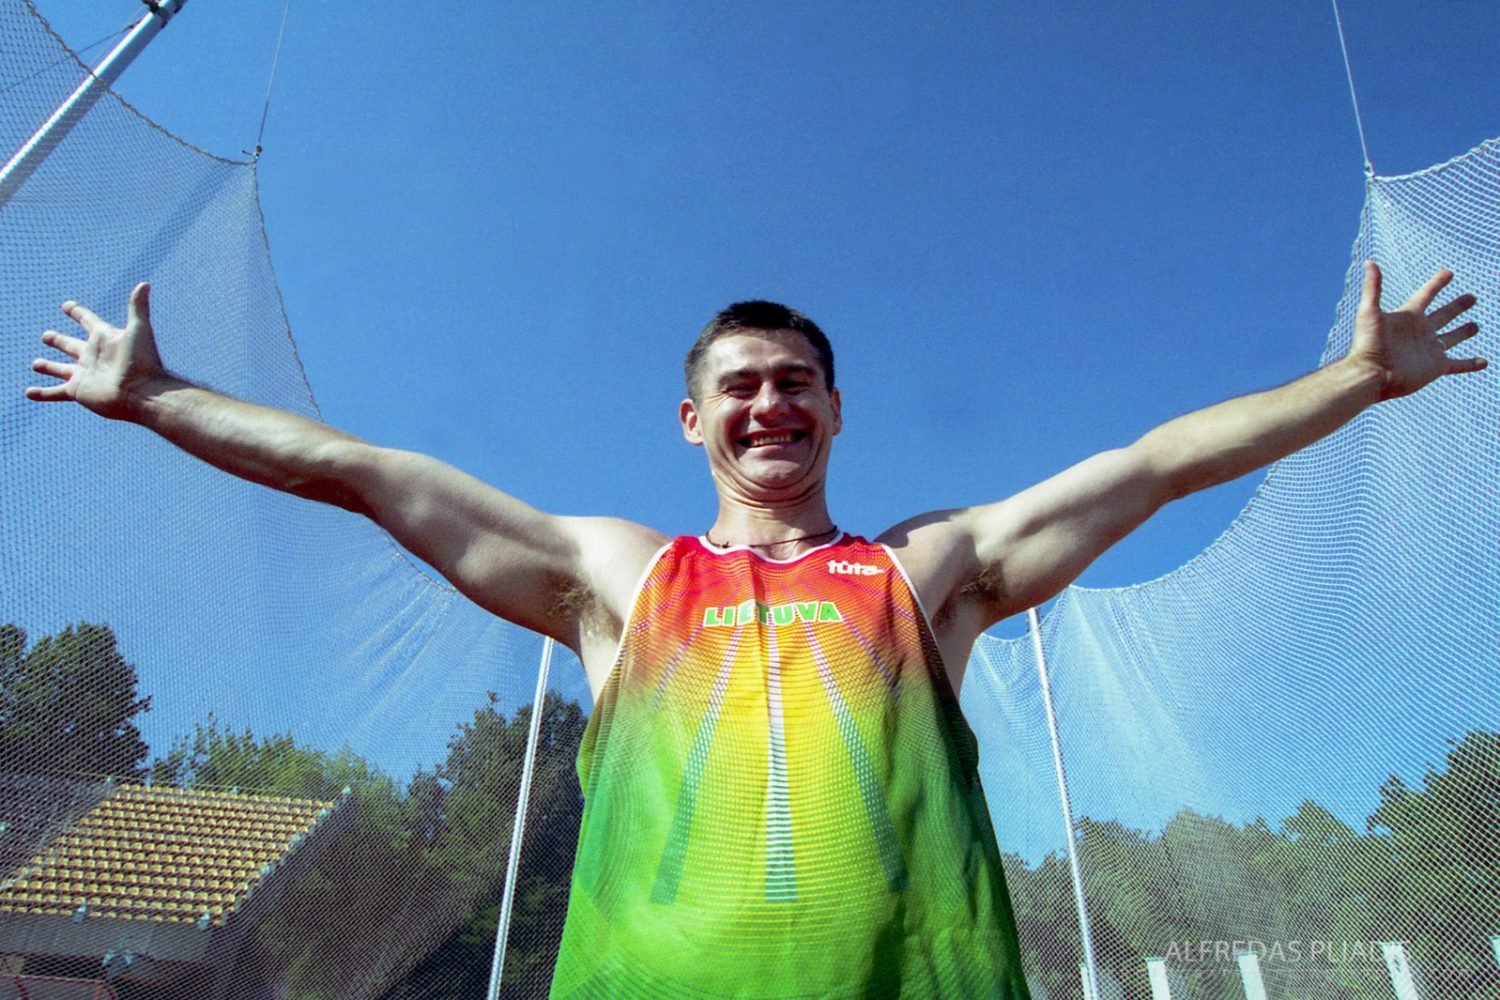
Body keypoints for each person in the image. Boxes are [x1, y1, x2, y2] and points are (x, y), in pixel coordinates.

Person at [25, 264, 1485, 997]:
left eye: (796, 381)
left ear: (836, 409)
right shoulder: (618, 577)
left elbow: (1163, 463)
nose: (769, 403)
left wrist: (1353, 382)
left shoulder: (928, 571)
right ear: (692, 420)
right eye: (739, 385)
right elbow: (365, 475)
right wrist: (158, 397)